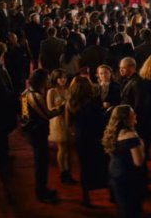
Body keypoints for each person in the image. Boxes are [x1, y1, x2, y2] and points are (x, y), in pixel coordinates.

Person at [21, 69, 64, 204]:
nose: (48, 81)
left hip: (33, 132)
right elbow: (46, 115)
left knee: (41, 162)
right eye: (46, 79)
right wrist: (61, 108)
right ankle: (41, 192)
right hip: (37, 133)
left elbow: (24, 116)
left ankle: (42, 189)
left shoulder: (25, 93)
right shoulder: (34, 96)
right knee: (41, 163)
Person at [68, 75, 109, 207]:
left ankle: (86, 196)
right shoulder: (93, 102)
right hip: (94, 137)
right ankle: (110, 192)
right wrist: (107, 112)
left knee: (84, 166)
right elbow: (99, 121)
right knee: (101, 164)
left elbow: (69, 122)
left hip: (80, 137)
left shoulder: (71, 102)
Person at [103, 105, 147, 218]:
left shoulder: (114, 133)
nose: (135, 115)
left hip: (114, 174)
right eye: (132, 114)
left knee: (122, 206)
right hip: (128, 177)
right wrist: (141, 144)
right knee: (131, 209)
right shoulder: (131, 136)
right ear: (125, 118)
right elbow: (138, 161)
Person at [45, 69, 76, 185]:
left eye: (64, 77)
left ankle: (67, 172)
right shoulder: (51, 92)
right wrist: (62, 105)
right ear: (55, 79)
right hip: (58, 122)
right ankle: (63, 172)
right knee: (62, 148)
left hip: (69, 121)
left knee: (68, 149)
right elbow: (50, 108)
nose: (63, 79)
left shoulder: (68, 90)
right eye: (60, 77)